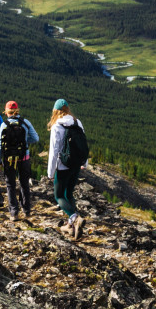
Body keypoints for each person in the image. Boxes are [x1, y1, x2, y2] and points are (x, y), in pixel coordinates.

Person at [46, 98, 88, 240]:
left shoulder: (57, 126)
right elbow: (83, 145)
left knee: (58, 195)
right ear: (68, 109)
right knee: (69, 194)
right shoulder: (78, 122)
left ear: (56, 111)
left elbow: (54, 151)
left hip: (63, 165)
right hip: (76, 164)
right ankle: (72, 226)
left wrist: (50, 172)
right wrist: (84, 163)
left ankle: (74, 217)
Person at [0, 100, 39, 221]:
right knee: (24, 183)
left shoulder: (4, 125)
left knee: (10, 184)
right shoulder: (25, 122)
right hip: (24, 157)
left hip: (8, 158)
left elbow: (0, 144)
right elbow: (36, 138)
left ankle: (14, 213)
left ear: (6, 111)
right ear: (17, 110)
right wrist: (25, 142)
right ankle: (26, 211)